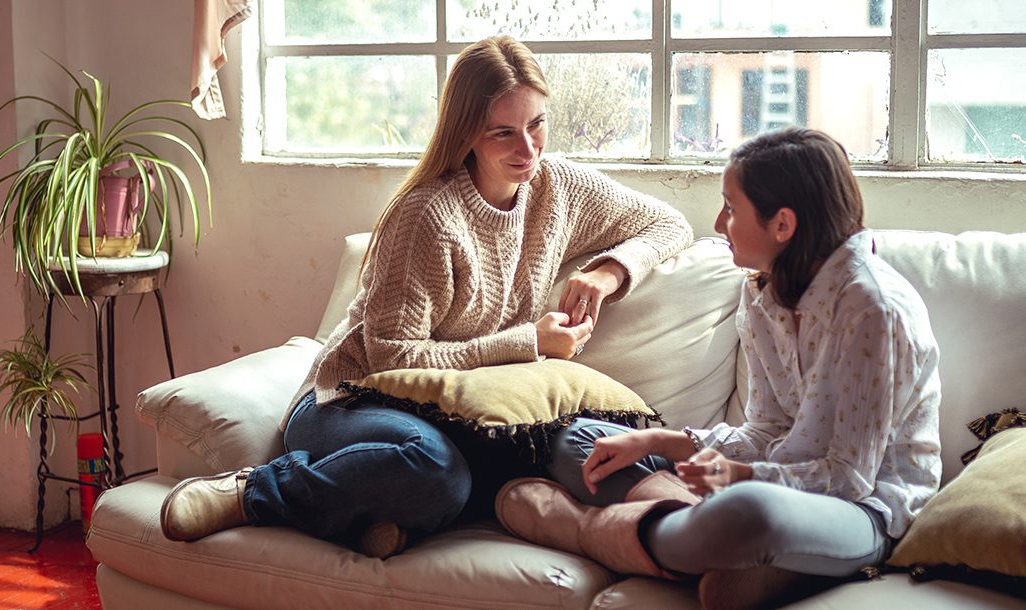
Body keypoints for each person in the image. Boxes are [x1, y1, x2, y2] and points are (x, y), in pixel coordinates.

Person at [157, 34, 693, 559]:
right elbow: (393, 357)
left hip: (464, 417)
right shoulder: (427, 216)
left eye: (536, 124)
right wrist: (528, 342)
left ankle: (378, 518)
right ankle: (254, 492)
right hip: (354, 399)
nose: (527, 149)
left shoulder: (559, 191)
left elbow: (669, 223)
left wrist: (606, 273)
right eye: (503, 133)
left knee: (553, 454)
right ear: (467, 134)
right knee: (433, 469)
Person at [495, 127, 942, 610]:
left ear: (783, 225)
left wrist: (740, 479)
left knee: (748, 512)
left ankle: (586, 530)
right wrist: (657, 441)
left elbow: (847, 477)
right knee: (577, 440)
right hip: (766, 486)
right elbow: (768, 429)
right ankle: (705, 542)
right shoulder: (761, 293)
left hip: (863, 512)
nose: (717, 221)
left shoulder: (873, 309)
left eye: (731, 207)